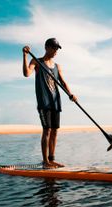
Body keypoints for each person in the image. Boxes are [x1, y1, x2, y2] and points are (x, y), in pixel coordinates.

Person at [22, 38, 77, 169]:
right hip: (44, 103)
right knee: (46, 130)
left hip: (56, 102)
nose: (56, 51)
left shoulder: (57, 66)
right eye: (54, 48)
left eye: (57, 48)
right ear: (47, 47)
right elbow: (26, 73)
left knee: (55, 131)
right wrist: (24, 56)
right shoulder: (37, 61)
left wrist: (71, 94)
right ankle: (45, 161)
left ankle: (52, 159)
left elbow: (63, 82)